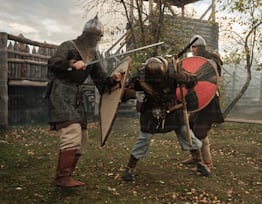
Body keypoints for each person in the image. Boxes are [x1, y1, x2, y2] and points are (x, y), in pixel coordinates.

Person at [46, 15, 122, 187]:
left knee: (83, 139)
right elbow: (53, 63)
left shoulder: (93, 55)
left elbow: (101, 80)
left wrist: (113, 79)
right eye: (94, 36)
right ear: (85, 35)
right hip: (61, 92)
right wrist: (72, 63)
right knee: (72, 132)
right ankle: (62, 178)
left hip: (76, 98)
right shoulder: (69, 46)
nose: (96, 40)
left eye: (98, 37)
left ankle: (67, 176)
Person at [121, 56, 211, 182]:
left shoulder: (173, 71)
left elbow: (194, 79)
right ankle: (128, 169)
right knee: (144, 138)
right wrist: (131, 93)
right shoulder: (141, 77)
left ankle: (200, 164)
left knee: (186, 133)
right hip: (151, 111)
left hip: (173, 110)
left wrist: (186, 78)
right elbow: (124, 92)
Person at [181, 35, 224, 171]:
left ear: (200, 48)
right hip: (199, 99)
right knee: (191, 127)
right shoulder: (202, 61)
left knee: (201, 132)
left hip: (209, 100)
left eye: (194, 47)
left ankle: (207, 163)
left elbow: (202, 76)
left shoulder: (211, 62)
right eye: (192, 47)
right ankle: (195, 156)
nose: (192, 50)